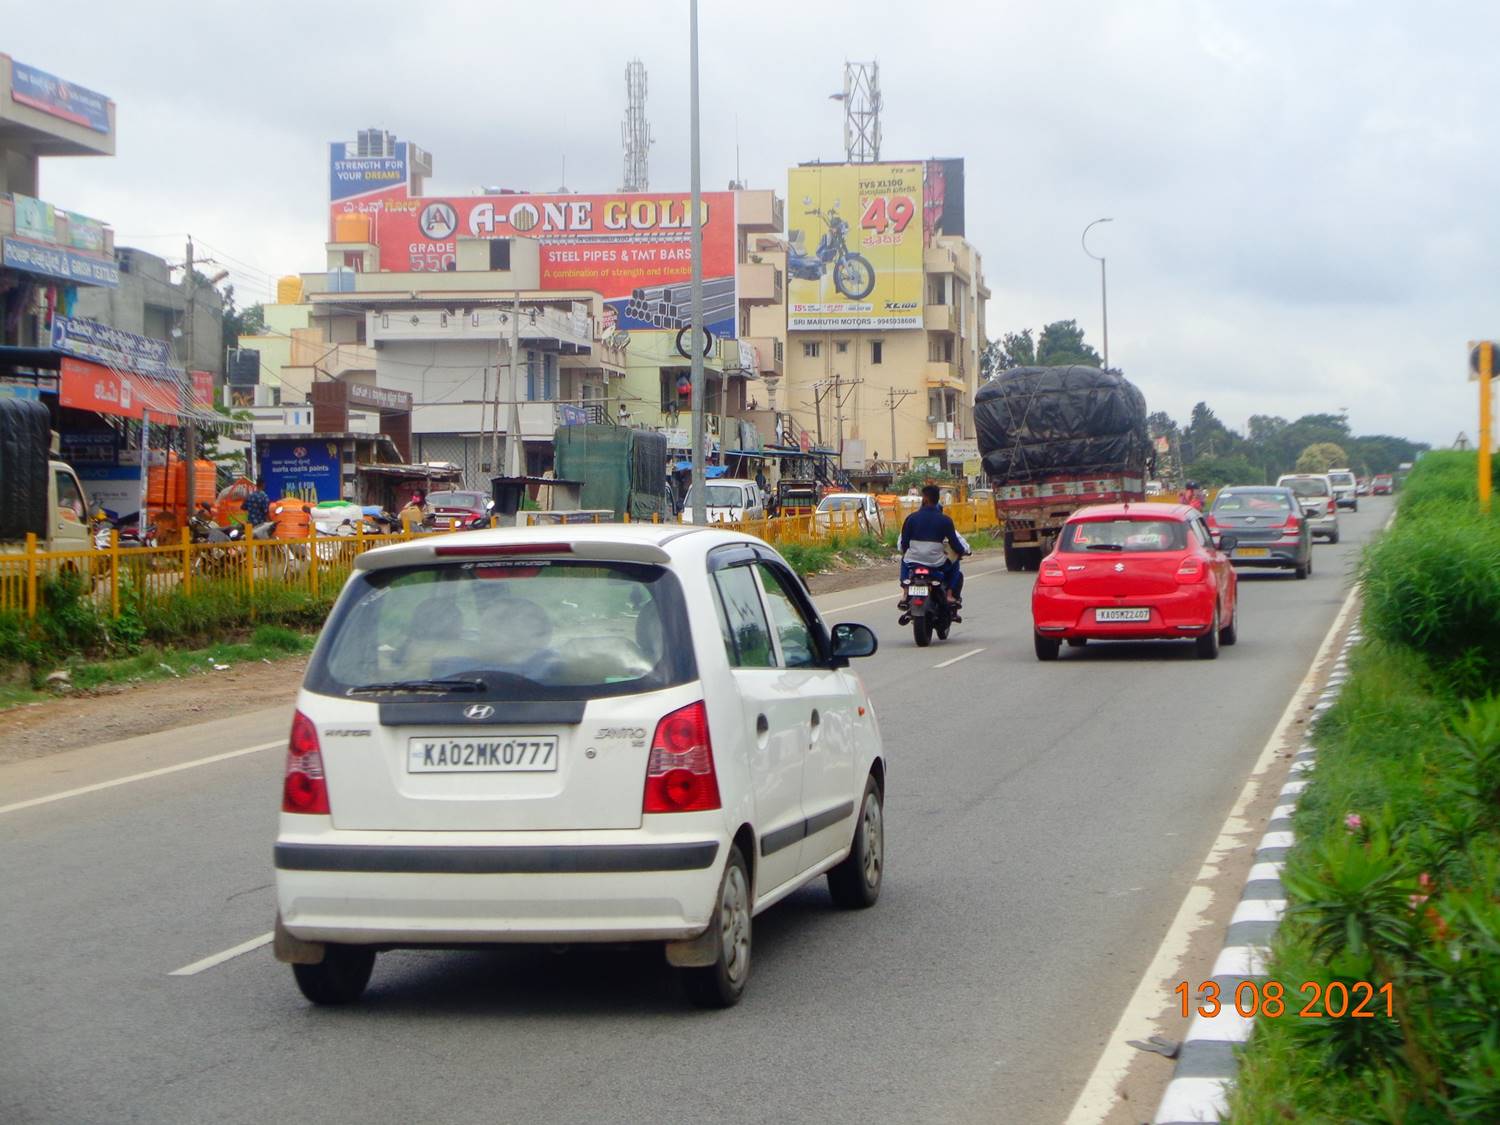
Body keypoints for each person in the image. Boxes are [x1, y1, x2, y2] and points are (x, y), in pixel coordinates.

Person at [899, 485, 970, 607]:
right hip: (936, 562)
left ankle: (905, 592)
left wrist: (907, 552)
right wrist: (961, 552)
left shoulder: (911, 519)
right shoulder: (945, 520)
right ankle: (949, 594)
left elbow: (904, 543)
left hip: (913, 561)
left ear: (925, 499)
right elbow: (954, 542)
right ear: (937, 500)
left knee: (904, 560)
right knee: (955, 563)